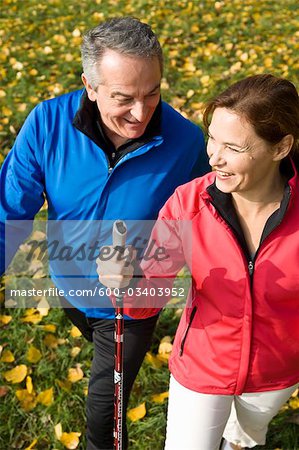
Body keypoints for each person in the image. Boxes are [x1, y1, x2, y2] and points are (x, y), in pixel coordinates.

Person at [0, 17, 210, 450]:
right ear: (90, 87)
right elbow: (9, 211)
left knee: (104, 413)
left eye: (153, 92)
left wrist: (144, 271)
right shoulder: (47, 124)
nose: (141, 112)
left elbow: (204, 229)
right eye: (123, 97)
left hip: (132, 304)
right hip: (70, 289)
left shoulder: (187, 142)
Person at [97, 74, 299, 450]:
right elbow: (147, 301)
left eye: (233, 147)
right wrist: (126, 281)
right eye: (212, 139)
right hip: (202, 367)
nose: (214, 157)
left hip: (278, 374)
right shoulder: (187, 204)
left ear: (280, 147)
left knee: (244, 440)